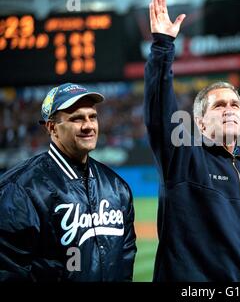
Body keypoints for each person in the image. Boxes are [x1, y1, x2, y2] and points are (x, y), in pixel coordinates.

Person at [144, 0, 240, 282]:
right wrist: (163, 46)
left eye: (235, 105)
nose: (229, 110)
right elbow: (158, 112)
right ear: (201, 123)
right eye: (219, 105)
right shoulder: (183, 158)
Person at [0, 83, 137, 281]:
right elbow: (9, 272)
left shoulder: (116, 187)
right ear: (52, 127)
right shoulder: (20, 188)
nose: (88, 125)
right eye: (76, 118)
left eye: (93, 117)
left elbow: (125, 259)